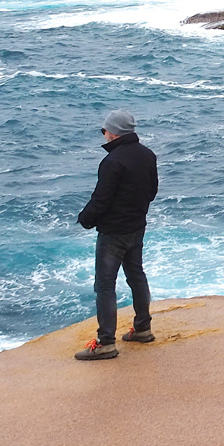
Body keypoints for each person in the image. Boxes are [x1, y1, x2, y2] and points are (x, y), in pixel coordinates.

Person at [74, 109, 159, 361]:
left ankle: (105, 343)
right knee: (136, 276)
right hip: (137, 227)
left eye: (104, 130)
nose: (104, 134)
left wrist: (85, 219)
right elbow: (152, 191)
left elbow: (100, 200)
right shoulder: (147, 155)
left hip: (113, 233)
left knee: (105, 286)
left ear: (113, 132)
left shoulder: (112, 162)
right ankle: (142, 328)